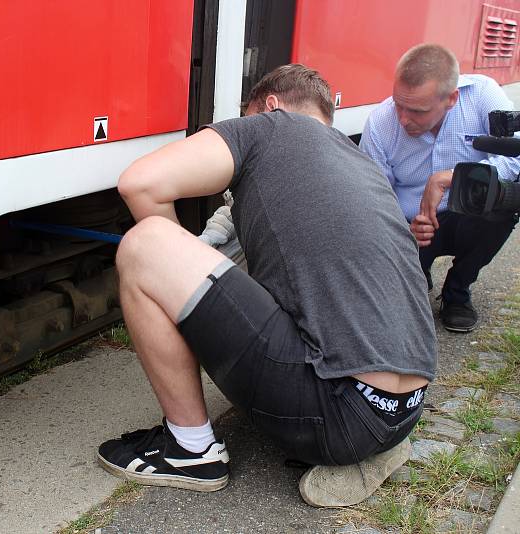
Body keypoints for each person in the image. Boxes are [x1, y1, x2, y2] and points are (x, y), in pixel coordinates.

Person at [97, 64, 436, 507]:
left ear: (269, 106)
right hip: (404, 411)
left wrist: (173, 292)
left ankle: (190, 450)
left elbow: (140, 182)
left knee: (144, 246)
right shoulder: (358, 162)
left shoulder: (268, 128)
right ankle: (370, 448)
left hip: (337, 415)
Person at [360, 43, 519, 333]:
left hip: (469, 216)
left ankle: (457, 291)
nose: (403, 119)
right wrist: (401, 229)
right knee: (396, 297)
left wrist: (453, 178)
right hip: (411, 226)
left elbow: (516, 158)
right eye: (399, 104)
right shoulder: (381, 122)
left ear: (452, 98)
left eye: (417, 111)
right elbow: (373, 195)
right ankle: (416, 274)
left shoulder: (483, 95)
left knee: (504, 207)